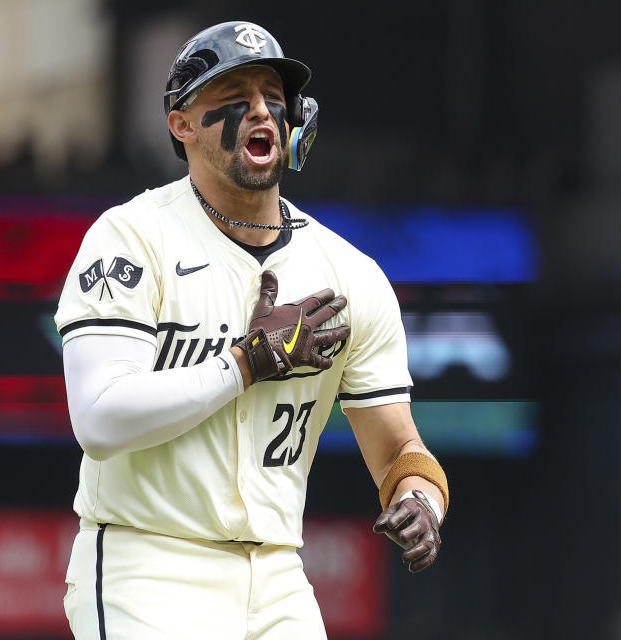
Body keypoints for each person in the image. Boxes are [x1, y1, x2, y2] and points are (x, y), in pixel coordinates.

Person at [55, 20, 449, 640]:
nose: (262, 109)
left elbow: (400, 450)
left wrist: (422, 500)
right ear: (181, 124)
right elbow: (100, 421)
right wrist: (245, 363)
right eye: (233, 94)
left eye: (272, 94)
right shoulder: (130, 237)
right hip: (147, 565)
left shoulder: (350, 274)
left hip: (276, 574)